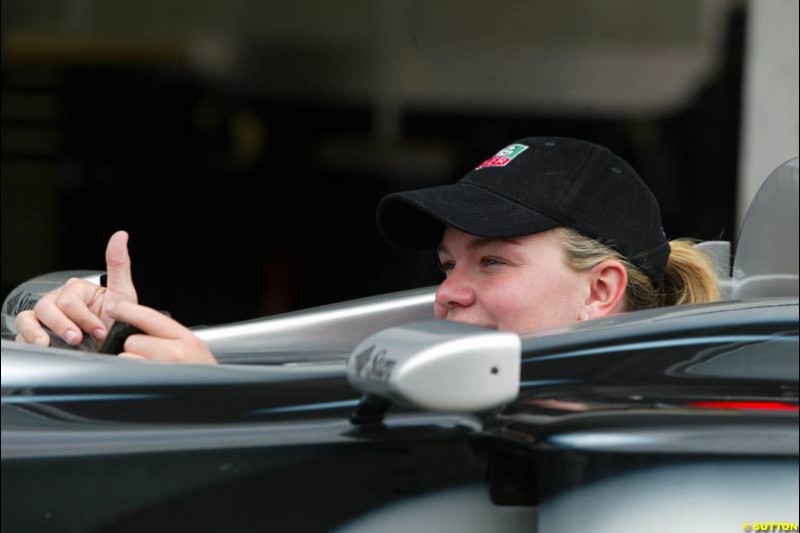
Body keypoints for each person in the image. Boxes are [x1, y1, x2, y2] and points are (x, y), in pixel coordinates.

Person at [14, 137, 720, 364]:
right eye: (448, 265)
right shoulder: (439, 410)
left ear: (600, 290)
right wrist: (102, 333)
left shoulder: (660, 454)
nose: (450, 292)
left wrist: (209, 399)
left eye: (492, 260)